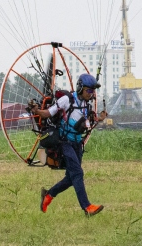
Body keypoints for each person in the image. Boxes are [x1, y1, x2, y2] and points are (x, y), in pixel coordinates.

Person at [38, 73, 107, 216]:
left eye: (93, 91)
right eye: (89, 90)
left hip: (77, 144)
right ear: (81, 88)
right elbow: (48, 113)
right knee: (77, 173)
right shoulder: (66, 100)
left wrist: (99, 118)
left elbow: (88, 121)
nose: (91, 93)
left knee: (71, 178)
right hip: (64, 143)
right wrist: (36, 110)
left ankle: (48, 195)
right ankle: (87, 207)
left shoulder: (86, 104)